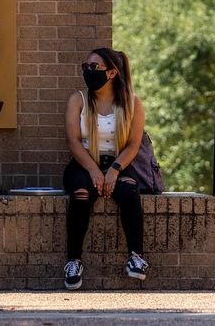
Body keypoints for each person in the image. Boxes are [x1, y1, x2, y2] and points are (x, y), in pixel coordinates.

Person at [61, 46, 149, 290]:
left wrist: (114, 171)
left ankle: (136, 257)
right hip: (84, 163)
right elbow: (73, 142)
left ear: (111, 73)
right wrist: (93, 170)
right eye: (85, 67)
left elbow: (133, 145)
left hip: (119, 163)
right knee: (81, 195)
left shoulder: (132, 103)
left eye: (94, 67)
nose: (88, 72)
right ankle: (73, 262)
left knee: (129, 192)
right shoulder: (77, 100)